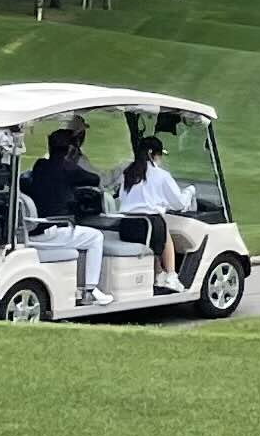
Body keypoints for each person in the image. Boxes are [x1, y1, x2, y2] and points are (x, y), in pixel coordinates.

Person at [23, 126, 107, 303]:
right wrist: (75, 160)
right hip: (55, 231)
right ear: (71, 149)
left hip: (36, 228)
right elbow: (95, 179)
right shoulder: (69, 168)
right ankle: (90, 290)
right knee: (96, 237)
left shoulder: (40, 165)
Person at [115, 132, 197, 284]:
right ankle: (171, 275)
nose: (160, 159)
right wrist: (190, 191)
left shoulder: (128, 173)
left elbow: (122, 198)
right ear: (153, 154)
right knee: (163, 229)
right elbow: (179, 203)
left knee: (156, 228)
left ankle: (159, 273)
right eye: (160, 155)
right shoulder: (161, 175)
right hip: (148, 226)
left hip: (126, 226)